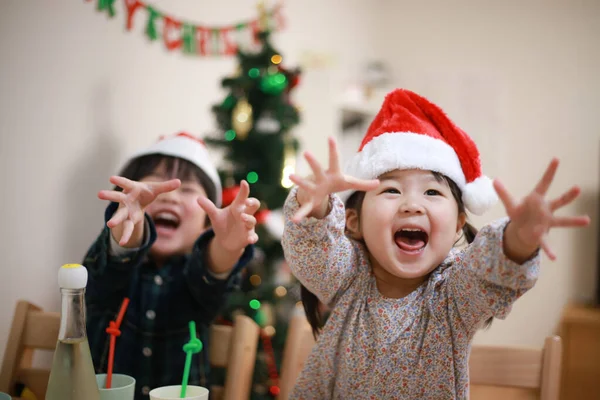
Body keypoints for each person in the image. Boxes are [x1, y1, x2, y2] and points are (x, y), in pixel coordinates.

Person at [281, 89, 590, 399]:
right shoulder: (347, 276)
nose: (412, 205)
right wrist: (315, 203)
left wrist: (519, 238)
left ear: (458, 222)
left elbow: (491, 271)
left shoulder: (453, 294)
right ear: (353, 220)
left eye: (432, 193)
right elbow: (314, 246)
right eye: (391, 190)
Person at [83, 132, 259, 399]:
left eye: (187, 189)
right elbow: (112, 263)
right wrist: (130, 221)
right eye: (156, 185)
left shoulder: (194, 278)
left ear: (206, 223)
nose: (171, 197)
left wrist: (226, 247)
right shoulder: (114, 270)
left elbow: (211, 276)